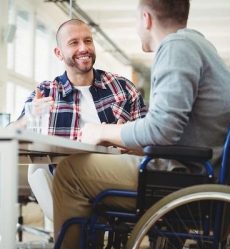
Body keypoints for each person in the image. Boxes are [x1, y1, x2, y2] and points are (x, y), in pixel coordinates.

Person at [53, 0, 230, 248]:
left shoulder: (176, 47)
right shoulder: (200, 46)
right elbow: (173, 129)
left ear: (146, 19)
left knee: (70, 172)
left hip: (185, 179)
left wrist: (100, 130)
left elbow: (161, 129)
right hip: (206, 172)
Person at [12, 19, 146, 222]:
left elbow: (151, 142)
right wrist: (27, 118)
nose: (84, 48)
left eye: (88, 41)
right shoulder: (46, 92)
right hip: (65, 185)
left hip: (114, 182)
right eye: (74, 43)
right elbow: (11, 134)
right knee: (37, 170)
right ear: (58, 53)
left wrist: (122, 140)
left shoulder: (123, 88)